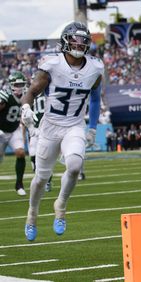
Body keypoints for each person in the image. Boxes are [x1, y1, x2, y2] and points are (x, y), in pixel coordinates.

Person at [21, 22, 103, 241]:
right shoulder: (52, 64)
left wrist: (93, 127)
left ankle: (61, 206)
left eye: (83, 40)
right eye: (75, 39)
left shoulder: (95, 68)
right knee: (40, 178)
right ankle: (32, 214)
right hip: (49, 127)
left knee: (75, 166)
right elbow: (31, 92)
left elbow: (95, 97)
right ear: (65, 40)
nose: (79, 44)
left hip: (74, 125)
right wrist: (26, 107)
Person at [0, 72, 28, 196]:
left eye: (21, 84)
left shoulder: (27, 96)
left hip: (15, 128)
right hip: (1, 130)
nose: (19, 86)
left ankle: (19, 184)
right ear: (11, 85)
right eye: (17, 84)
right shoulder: (5, 95)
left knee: (21, 153)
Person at [25, 74, 53, 192]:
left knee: (45, 157)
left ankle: (48, 181)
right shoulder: (29, 95)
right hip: (35, 129)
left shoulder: (49, 92)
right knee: (33, 155)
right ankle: (40, 178)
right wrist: (29, 127)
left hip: (46, 128)